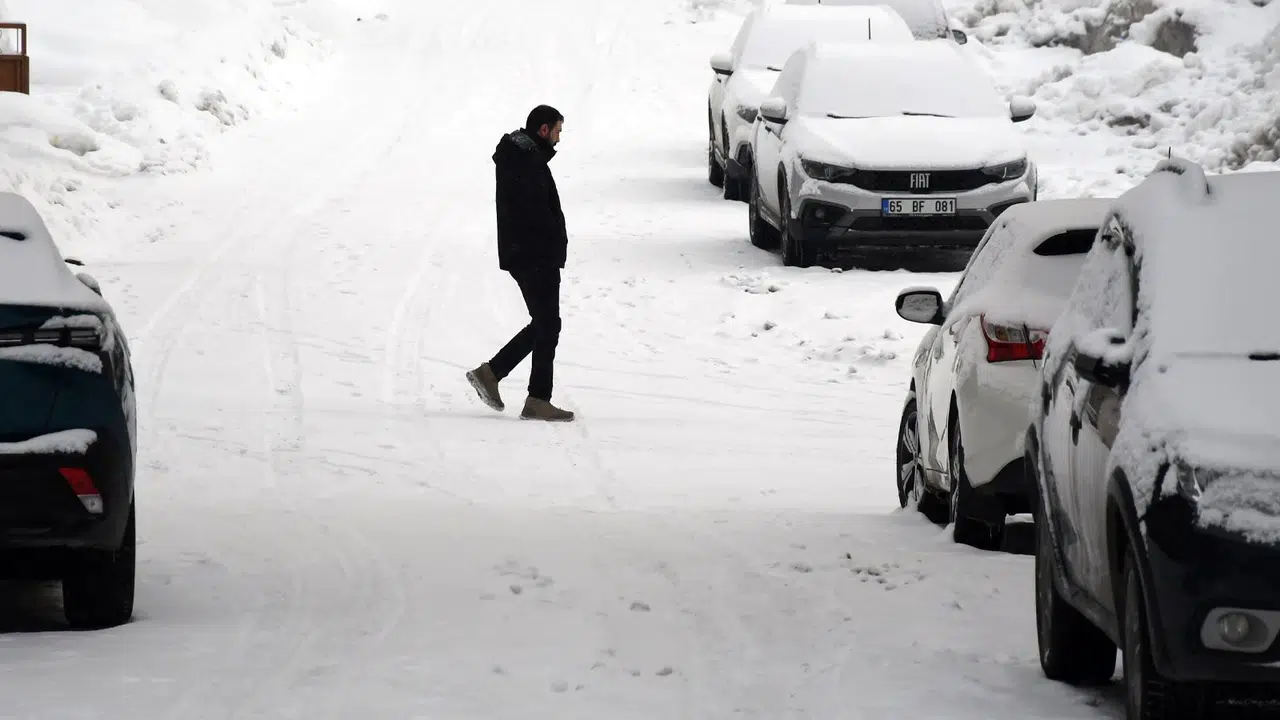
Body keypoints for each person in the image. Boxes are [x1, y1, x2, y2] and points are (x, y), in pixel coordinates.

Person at [466, 105, 575, 422]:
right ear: (543, 130)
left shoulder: (525, 157)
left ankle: (497, 377)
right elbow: (534, 212)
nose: (558, 138)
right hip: (533, 255)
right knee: (547, 324)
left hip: (529, 253)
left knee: (545, 323)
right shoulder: (526, 161)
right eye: (557, 131)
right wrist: (549, 246)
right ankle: (532, 396)